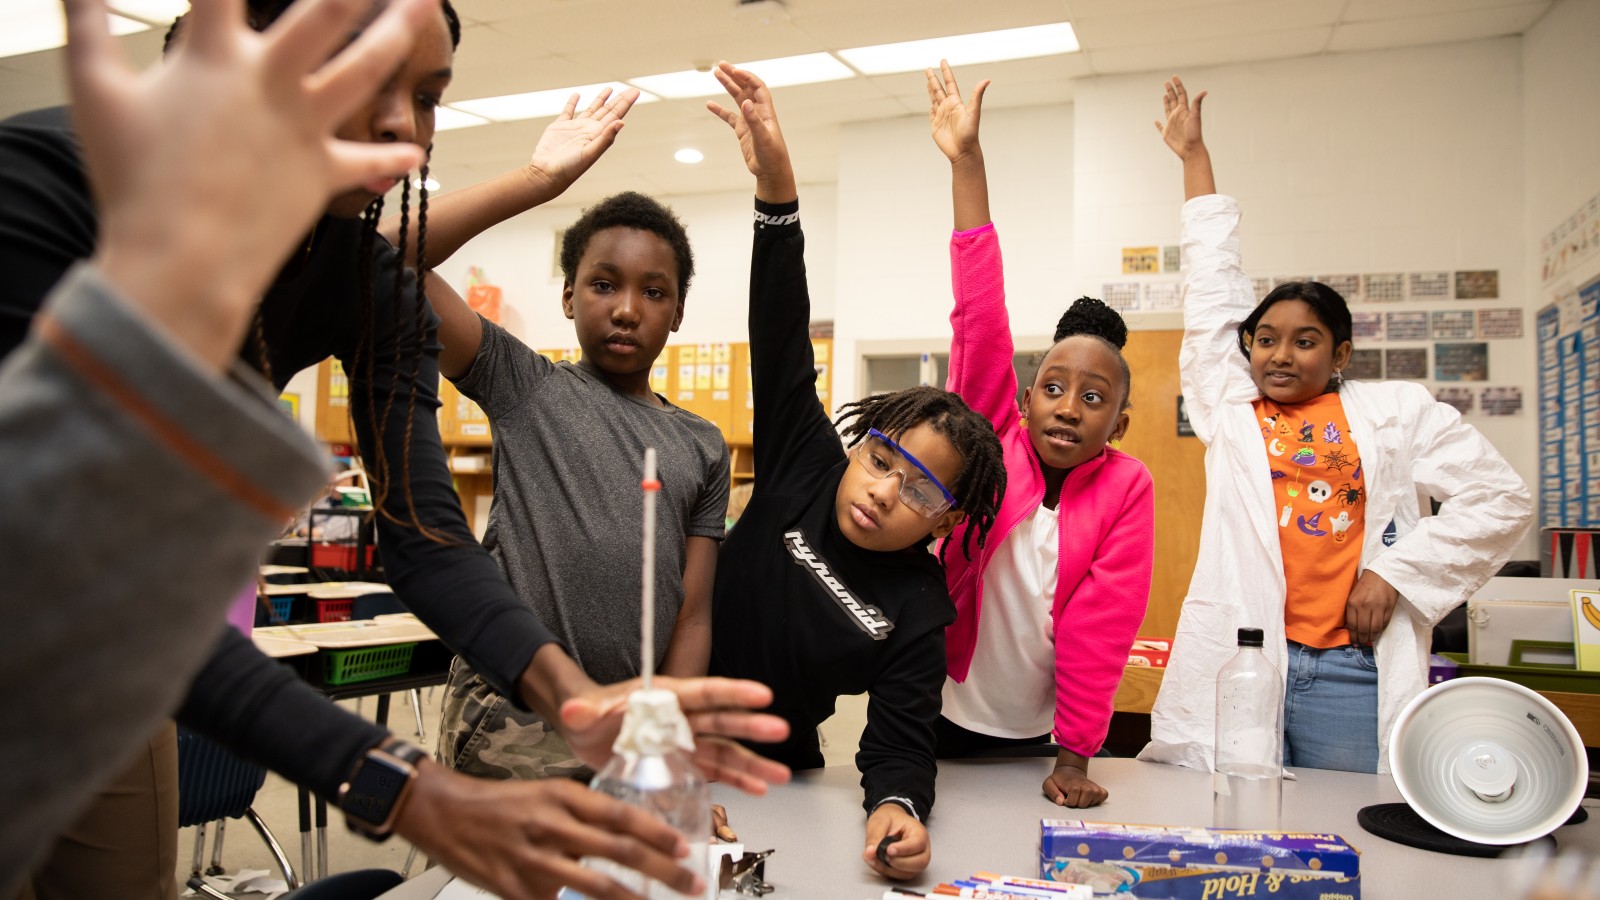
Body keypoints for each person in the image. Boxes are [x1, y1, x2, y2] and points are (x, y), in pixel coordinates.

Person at [0, 1, 789, 896]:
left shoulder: (357, 279)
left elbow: (425, 536)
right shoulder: (50, 180)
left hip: (107, 665)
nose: (403, 131)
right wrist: (408, 788)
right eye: (371, 79)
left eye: (428, 96)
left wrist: (578, 700)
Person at [1138, 77, 1534, 775]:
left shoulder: (1396, 412)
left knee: (1345, 837)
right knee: (1237, 828)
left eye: (1305, 340)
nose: (1280, 354)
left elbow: (1501, 498)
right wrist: (1194, 161)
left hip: (1354, 670)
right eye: (1265, 338)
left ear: (1341, 353)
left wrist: (1397, 574)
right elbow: (1212, 293)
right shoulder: (1231, 412)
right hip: (1244, 659)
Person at [703, 62, 1007, 882]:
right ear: (860, 445)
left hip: (777, 769)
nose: (882, 489)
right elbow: (780, 327)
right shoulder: (805, 460)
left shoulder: (916, 607)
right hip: (668, 728)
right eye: (881, 460)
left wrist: (896, 808)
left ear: (945, 523)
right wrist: (776, 193)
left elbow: (901, 740)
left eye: (919, 490)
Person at [423, 188, 728, 781]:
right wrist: (537, 179)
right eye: (604, 284)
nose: (627, 310)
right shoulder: (526, 388)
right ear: (568, 296)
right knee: (524, 872)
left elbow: (691, 616)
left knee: (635, 859)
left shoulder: (703, 444)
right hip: (515, 715)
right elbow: (389, 256)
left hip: (625, 722)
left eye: (654, 291)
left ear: (678, 311)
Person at [925, 62, 1155, 808]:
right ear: (1023, 400)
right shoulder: (989, 442)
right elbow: (980, 319)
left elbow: (1102, 626)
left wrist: (1076, 755)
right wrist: (968, 166)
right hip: (938, 711)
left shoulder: (1128, 488)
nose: (1068, 407)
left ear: (1117, 423)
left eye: (1093, 398)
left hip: (1038, 736)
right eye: (1053, 389)